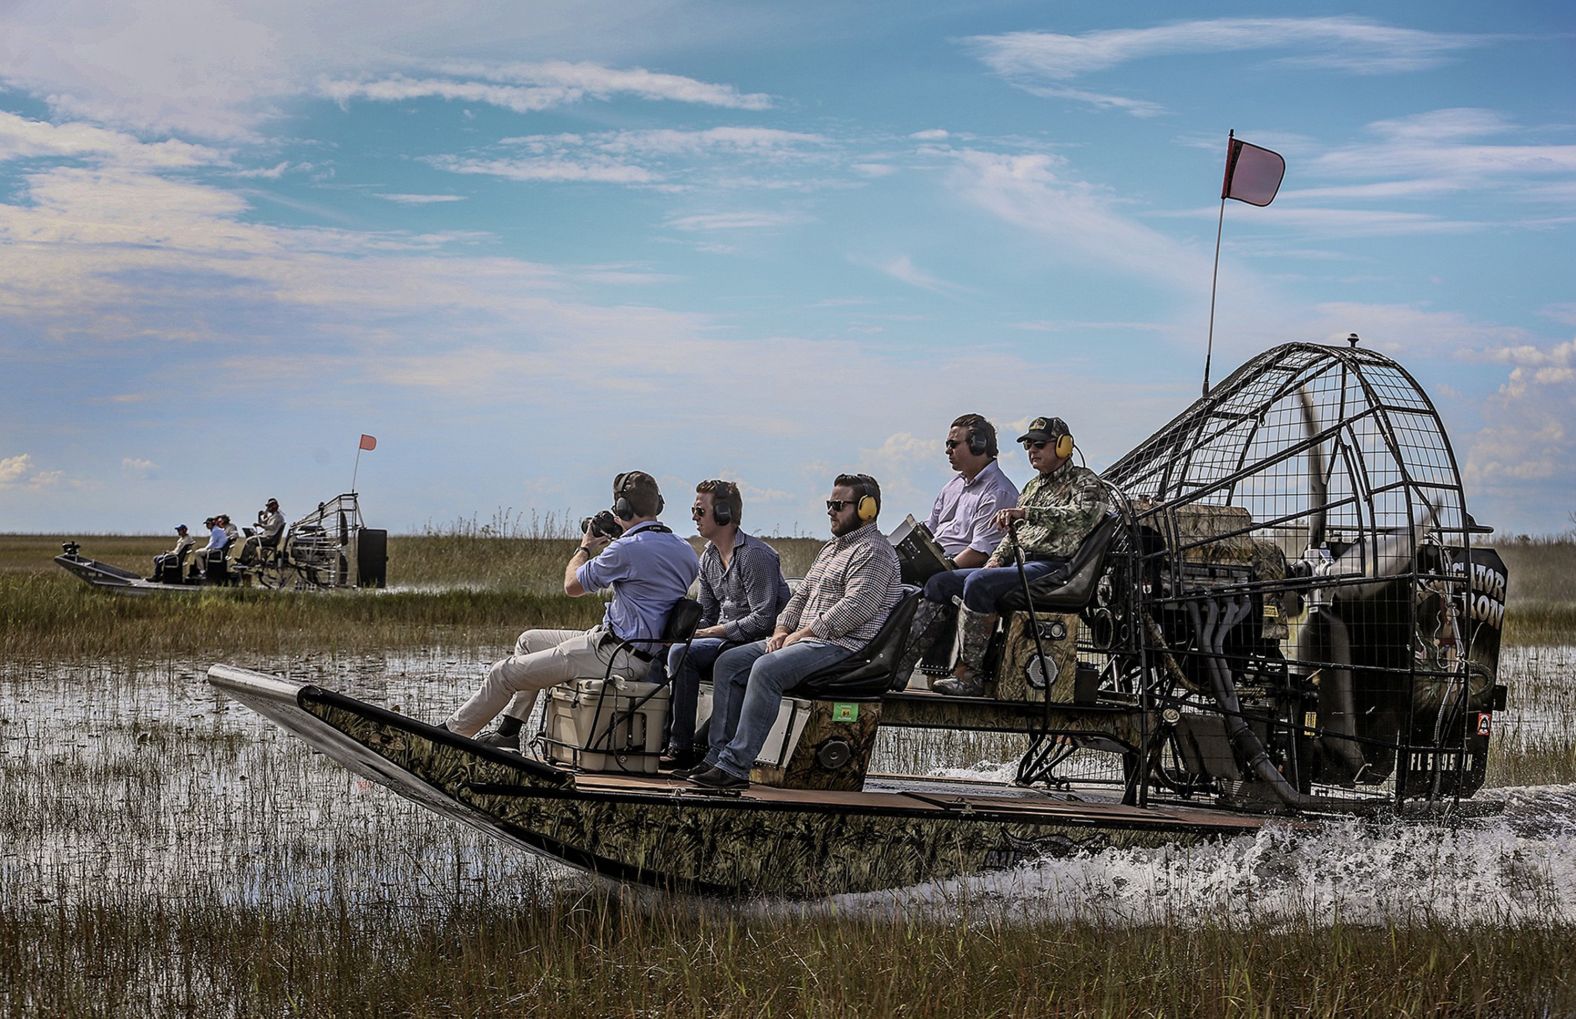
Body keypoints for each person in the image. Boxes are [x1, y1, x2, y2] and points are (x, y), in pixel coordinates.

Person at [441, 471, 699, 750]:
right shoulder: (683, 549)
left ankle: (445, 737)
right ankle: (508, 732)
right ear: (658, 505)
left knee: (502, 674)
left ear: (621, 508)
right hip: (636, 651)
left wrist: (585, 548)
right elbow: (648, 576)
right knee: (529, 641)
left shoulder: (626, 550)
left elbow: (572, 586)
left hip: (614, 655)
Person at [686, 473, 901, 791]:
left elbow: (856, 608)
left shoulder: (875, 552)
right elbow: (800, 595)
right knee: (729, 662)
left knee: (766, 669)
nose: (830, 510)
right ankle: (716, 757)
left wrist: (801, 635)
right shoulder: (831, 550)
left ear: (867, 509)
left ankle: (735, 766)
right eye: (830, 503)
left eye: (839, 505)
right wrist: (783, 628)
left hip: (843, 645)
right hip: (805, 639)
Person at [926, 416, 1110, 696]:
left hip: (1056, 569)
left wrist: (1027, 513)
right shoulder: (1032, 487)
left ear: (1062, 446)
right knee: (940, 582)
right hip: (1023, 563)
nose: (1032, 451)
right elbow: (1013, 535)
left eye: (1039, 444)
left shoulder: (1084, 482)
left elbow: (1083, 516)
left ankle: (970, 677)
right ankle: (911, 671)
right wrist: (994, 561)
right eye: (1028, 445)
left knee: (978, 584)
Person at [660, 480, 792, 770]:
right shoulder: (707, 557)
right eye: (693, 510)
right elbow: (707, 614)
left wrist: (708, 632)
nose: (694, 516)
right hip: (728, 638)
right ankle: (675, 745)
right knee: (673, 652)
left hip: (760, 640)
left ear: (722, 513)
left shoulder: (755, 555)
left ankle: (708, 753)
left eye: (699, 510)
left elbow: (763, 619)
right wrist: (681, 633)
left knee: (705, 658)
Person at [900, 414, 1020, 684]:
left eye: (954, 444)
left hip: (966, 569)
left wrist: (944, 569)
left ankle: (908, 667)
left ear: (979, 445)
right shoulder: (952, 486)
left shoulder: (997, 492)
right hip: (938, 562)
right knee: (886, 570)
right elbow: (929, 529)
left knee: (940, 583)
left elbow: (981, 552)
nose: (948, 450)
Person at [240, 498, 285, 563]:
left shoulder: (277, 517)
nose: (268, 508)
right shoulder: (272, 516)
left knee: (250, 540)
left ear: (274, 506)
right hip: (269, 536)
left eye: (269, 506)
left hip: (270, 538)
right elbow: (263, 522)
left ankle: (247, 560)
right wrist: (259, 516)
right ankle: (251, 559)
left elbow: (271, 527)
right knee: (251, 537)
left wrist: (260, 525)